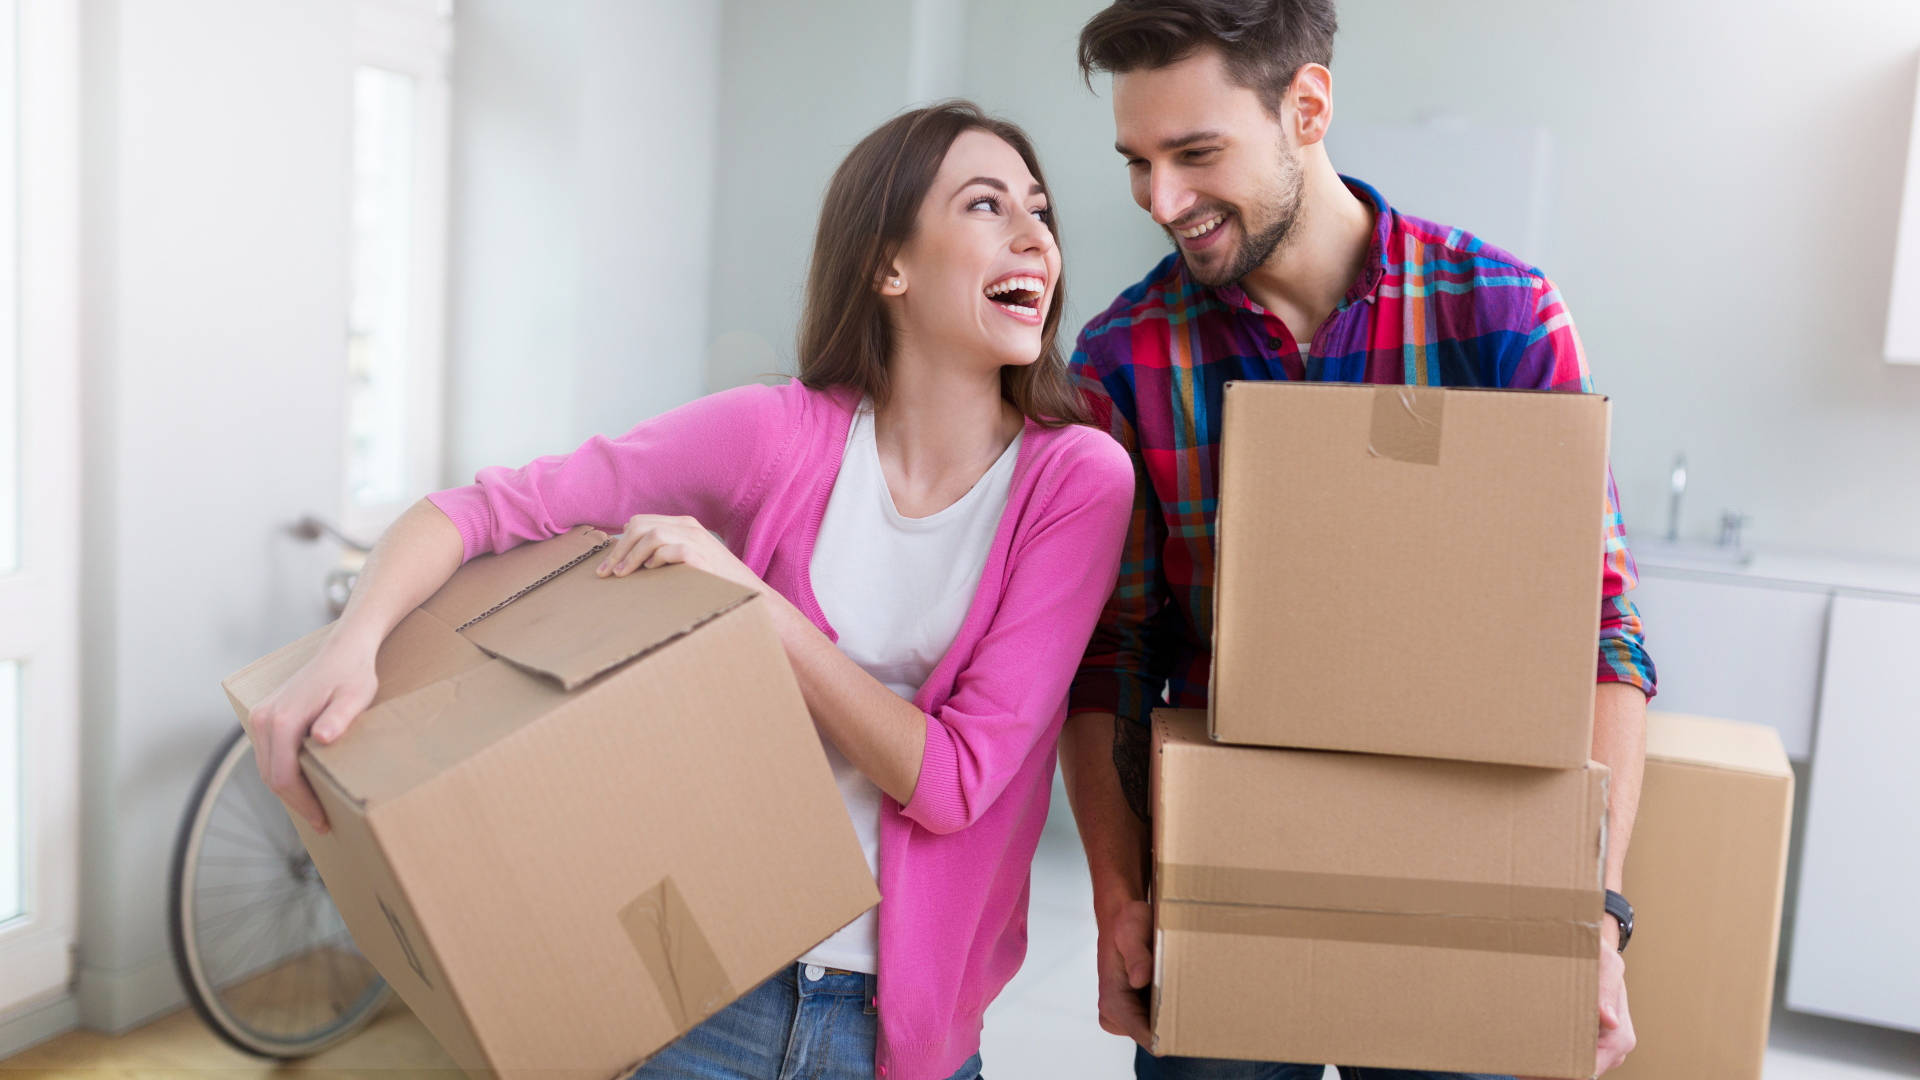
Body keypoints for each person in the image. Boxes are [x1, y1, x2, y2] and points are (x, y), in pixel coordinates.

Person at [246, 101, 1134, 1080]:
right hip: (708, 991)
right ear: (891, 267)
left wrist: (750, 608)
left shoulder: (1077, 480)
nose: (1034, 237)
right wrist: (351, 644)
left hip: (899, 1034)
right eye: (986, 204)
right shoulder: (776, 434)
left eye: (1040, 212)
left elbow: (955, 782)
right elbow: (481, 509)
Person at [1057, 3, 1657, 1079]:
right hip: (1227, 883)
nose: (1162, 200)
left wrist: (1593, 917)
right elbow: (1109, 656)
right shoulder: (1123, 359)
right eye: (1138, 162)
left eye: (1196, 154)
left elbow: (1600, 632)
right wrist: (1117, 896)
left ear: (1309, 106)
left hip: (1465, 877)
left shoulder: (1499, 316)